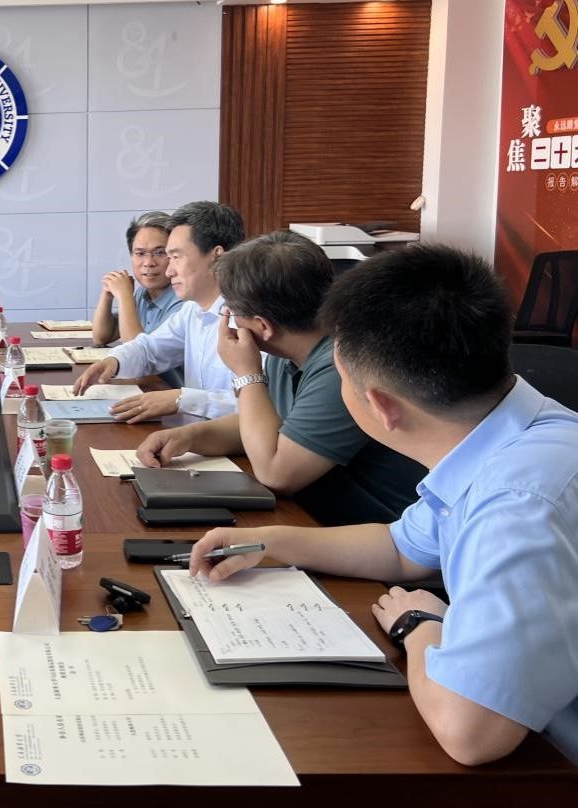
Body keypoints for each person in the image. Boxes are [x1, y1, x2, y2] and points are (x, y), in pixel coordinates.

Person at [185, 244, 578, 766]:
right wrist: (269, 543)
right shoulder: (512, 434)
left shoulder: (517, 506)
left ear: (381, 406)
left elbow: (472, 736)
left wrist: (419, 627)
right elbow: (400, 550)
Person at [136, 230, 426, 524]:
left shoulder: (340, 367)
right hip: (313, 516)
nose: (229, 321)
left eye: (231, 312)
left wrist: (248, 374)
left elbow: (276, 473)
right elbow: (270, 425)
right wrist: (189, 437)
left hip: (375, 531)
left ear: (263, 326)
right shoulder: (285, 352)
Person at [74, 200, 244, 421]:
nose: (169, 271)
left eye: (175, 257)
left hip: (227, 441)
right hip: (192, 433)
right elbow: (150, 349)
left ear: (217, 256)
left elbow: (260, 407)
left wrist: (181, 399)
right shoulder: (192, 309)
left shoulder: (250, 318)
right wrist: (113, 362)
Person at [91, 211, 182, 347]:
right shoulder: (143, 294)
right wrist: (107, 294)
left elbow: (136, 351)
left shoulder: (183, 299)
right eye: (140, 253)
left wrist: (125, 296)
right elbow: (101, 337)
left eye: (160, 253)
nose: (148, 263)